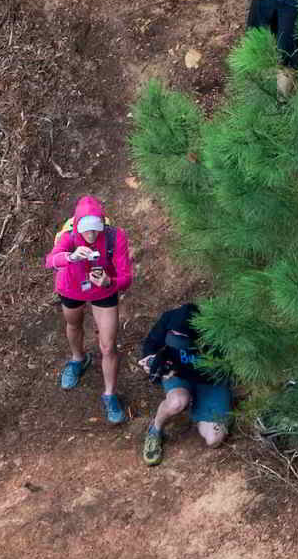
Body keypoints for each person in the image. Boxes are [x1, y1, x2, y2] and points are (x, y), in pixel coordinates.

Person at [45, 194, 132, 425]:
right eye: (86, 230)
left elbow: (126, 277)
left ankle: (110, 394)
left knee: (108, 345)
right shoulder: (68, 236)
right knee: (73, 323)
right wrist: (71, 256)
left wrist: (108, 282)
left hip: (103, 290)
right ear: (77, 225)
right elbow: (50, 261)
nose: (91, 236)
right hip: (72, 286)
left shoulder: (116, 236)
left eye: (96, 229)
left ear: (103, 223)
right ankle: (77, 359)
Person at [136, 302, 232, 467]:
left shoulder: (215, 334)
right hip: (177, 373)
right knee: (177, 402)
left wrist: (176, 368)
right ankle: (155, 429)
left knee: (213, 439)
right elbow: (150, 345)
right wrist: (150, 361)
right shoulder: (169, 317)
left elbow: (222, 370)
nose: (175, 342)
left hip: (209, 381)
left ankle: (205, 408)